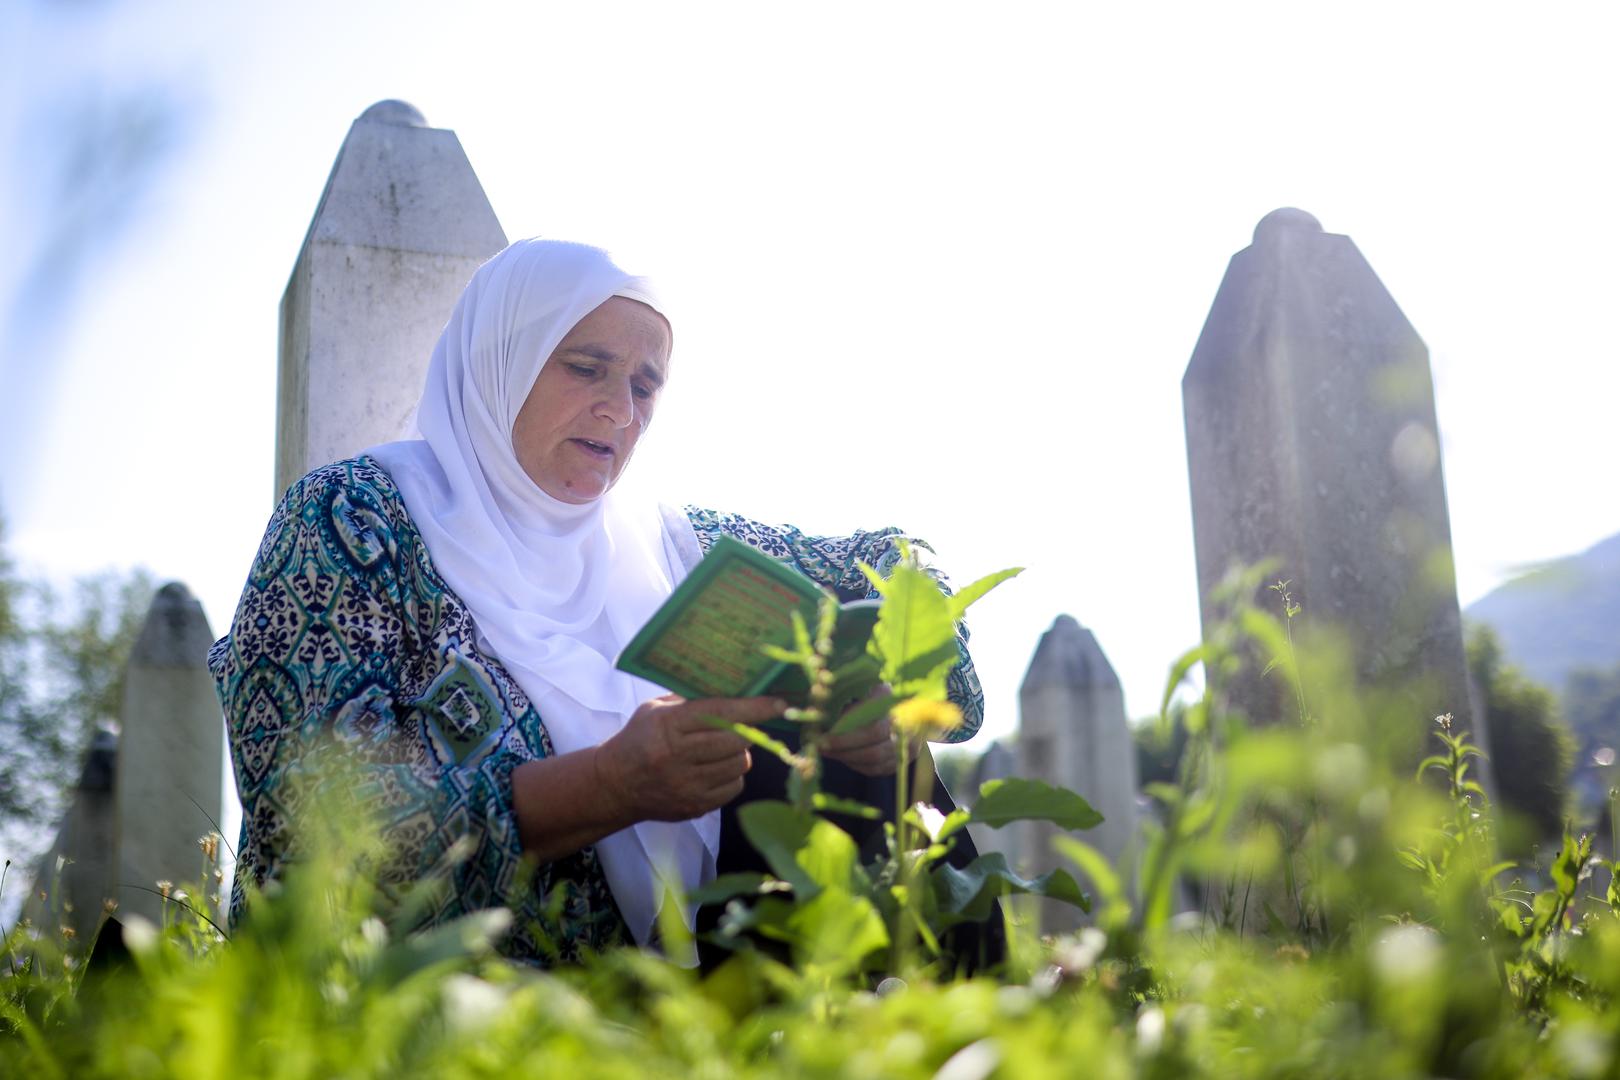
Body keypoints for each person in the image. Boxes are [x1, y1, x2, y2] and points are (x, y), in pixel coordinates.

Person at [209, 239, 984, 965]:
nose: (621, 410)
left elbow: (902, 558)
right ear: (500, 362)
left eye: (646, 386)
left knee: (850, 740)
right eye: (586, 368)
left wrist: (895, 700)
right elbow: (307, 821)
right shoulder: (353, 520)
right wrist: (609, 784)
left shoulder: (670, 546)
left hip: (689, 1003)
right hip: (425, 1003)